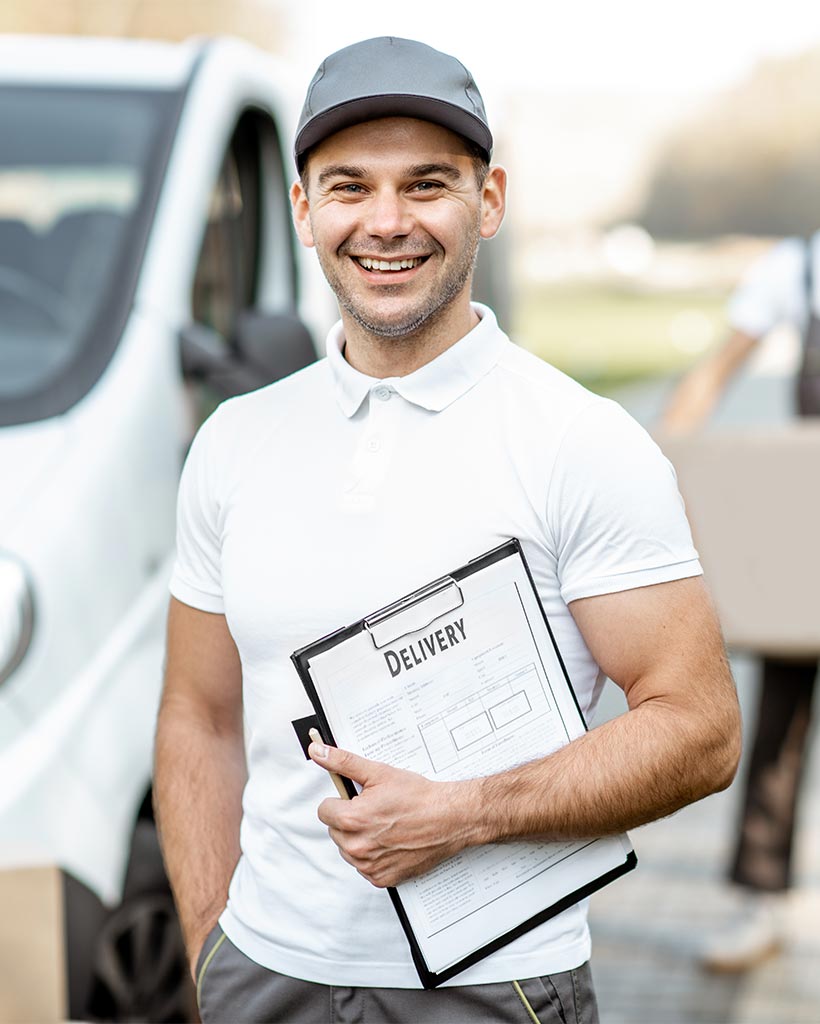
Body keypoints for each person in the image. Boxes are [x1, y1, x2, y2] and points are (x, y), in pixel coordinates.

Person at [154, 36, 741, 1024]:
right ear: (303, 209)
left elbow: (702, 728)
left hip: (495, 986)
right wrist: (211, 946)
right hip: (262, 974)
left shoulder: (580, 442)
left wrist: (464, 814)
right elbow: (198, 715)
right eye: (349, 187)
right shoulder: (233, 441)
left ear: (489, 200)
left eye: (426, 184)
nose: (386, 222)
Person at [661, 235, 819, 973]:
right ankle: (761, 902)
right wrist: (662, 465)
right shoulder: (797, 270)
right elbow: (713, 375)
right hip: (809, 535)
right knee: (781, 717)